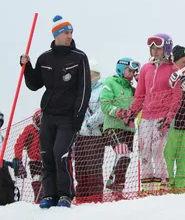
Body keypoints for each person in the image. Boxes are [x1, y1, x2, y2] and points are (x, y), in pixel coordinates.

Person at [20, 15, 91, 208]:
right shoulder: (45, 58)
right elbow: (34, 84)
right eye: (66, 33)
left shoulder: (79, 57)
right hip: (48, 116)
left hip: (68, 118)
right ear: (57, 35)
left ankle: (65, 195)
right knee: (47, 155)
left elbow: (84, 90)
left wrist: (78, 117)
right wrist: (26, 66)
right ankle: (49, 195)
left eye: (71, 32)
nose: (70, 36)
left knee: (60, 153)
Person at [126, 34, 182, 195]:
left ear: (166, 48)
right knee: (144, 150)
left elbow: (177, 96)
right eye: (152, 48)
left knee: (157, 149)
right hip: (146, 116)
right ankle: (147, 186)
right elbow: (140, 94)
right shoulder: (145, 68)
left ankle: (162, 185)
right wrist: (132, 113)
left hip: (162, 116)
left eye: (158, 48)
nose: (154, 51)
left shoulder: (173, 70)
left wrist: (169, 116)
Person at [100, 58, 139, 200]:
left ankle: (114, 183)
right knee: (122, 152)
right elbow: (104, 105)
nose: (131, 74)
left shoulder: (132, 88)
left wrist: (141, 83)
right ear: (121, 70)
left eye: (133, 71)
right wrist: (120, 112)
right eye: (129, 70)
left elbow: (142, 101)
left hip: (128, 128)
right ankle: (117, 189)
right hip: (114, 126)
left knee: (125, 157)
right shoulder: (111, 82)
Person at [74, 59, 106, 203]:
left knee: (93, 168)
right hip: (80, 136)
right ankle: (81, 198)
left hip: (95, 135)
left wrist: (87, 124)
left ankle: (95, 200)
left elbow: (102, 111)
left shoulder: (102, 89)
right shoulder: (80, 90)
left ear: (95, 73)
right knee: (80, 169)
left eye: (88, 72)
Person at [164, 45, 185, 193]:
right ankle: (166, 188)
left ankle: (182, 189)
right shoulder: (168, 77)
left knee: (184, 161)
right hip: (170, 126)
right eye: (183, 62)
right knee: (167, 159)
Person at [13, 109, 44, 203]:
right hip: (35, 161)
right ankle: (39, 199)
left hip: (48, 159)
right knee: (37, 179)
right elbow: (19, 144)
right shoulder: (29, 129)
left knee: (49, 180)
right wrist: (19, 161)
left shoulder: (49, 129)